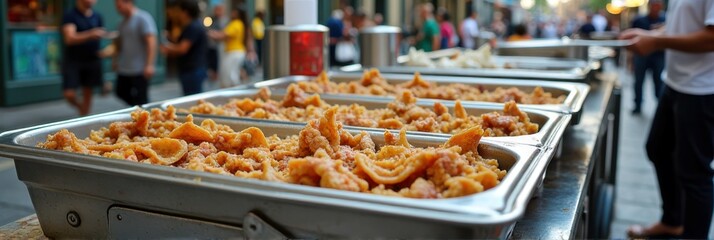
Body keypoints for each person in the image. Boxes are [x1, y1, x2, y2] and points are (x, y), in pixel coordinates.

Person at [620, 1, 714, 239]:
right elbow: (680, 25)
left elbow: (711, 38)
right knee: (658, 148)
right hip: (675, 82)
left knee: (695, 173)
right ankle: (672, 221)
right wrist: (650, 35)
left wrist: (656, 42)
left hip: (702, 90)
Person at [61, 0, 105, 116]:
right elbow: (69, 38)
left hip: (92, 58)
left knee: (88, 92)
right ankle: (81, 108)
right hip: (74, 59)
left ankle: (85, 116)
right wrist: (91, 34)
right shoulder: (70, 15)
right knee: (69, 93)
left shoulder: (98, 16)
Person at [113, 0, 157, 106]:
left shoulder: (143, 18)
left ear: (128, 2)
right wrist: (115, 60)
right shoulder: (121, 23)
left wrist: (149, 64)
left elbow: (151, 42)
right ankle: (137, 110)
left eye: (120, 6)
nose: (118, 9)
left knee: (142, 97)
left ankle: (144, 115)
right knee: (120, 92)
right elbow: (119, 44)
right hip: (125, 67)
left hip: (140, 68)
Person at [161, 0, 207, 95]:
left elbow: (183, 48)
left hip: (192, 70)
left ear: (185, 12)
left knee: (192, 98)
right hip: (192, 68)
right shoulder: (193, 25)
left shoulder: (193, 26)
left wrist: (167, 47)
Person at [629, 0, 665, 114]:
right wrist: (630, 60)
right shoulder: (639, 20)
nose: (656, 8)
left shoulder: (665, 20)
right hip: (641, 56)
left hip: (658, 56)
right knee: (638, 81)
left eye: (658, 6)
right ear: (650, 6)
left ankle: (660, 107)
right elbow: (631, 42)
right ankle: (637, 105)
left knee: (658, 82)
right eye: (654, 5)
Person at [208, 7, 255, 87]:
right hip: (236, 51)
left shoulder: (236, 23)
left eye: (234, 11)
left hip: (234, 52)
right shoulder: (240, 24)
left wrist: (210, 33)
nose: (231, 13)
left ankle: (233, 95)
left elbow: (223, 35)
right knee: (231, 75)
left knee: (230, 77)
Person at [206, 4, 227, 82]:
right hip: (212, 45)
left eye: (219, 10)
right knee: (212, 63)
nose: (217, 12)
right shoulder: (212, 19)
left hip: (220, 46)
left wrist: (215, 34)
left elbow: (224, 33)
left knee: (219, 63)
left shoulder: (225, 20)